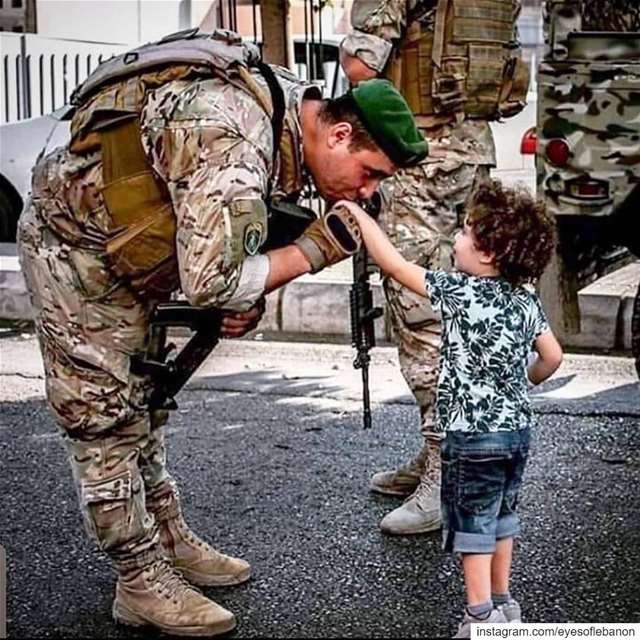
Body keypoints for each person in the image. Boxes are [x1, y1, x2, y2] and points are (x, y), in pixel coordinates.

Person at [17, 29, 427, 638]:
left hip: (138, 251)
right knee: (103, 415)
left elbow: (231, 247)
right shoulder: (234, 132)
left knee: (147, 401)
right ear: (339, 134)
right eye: (369, 174)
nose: (366, 192)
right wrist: (314, 251)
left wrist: (247, 291)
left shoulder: (290, 107)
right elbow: (214, 280)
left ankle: (166, 534)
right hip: (77, 251)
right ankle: (139, 577)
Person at [339, 180, 563, 637]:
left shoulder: (460, 291)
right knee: (502, 518)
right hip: (516, 433)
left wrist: (362, 219)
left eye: (464, 232)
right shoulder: (524, 299)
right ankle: (504, 604)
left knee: (472, 528)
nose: (455, 240)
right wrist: (524, 380)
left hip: (471, 435)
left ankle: (479, 617)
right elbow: (553, 356)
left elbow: (396, 265)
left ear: (487, 254)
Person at [340, 0, 528, 535]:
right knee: (463, 309)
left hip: (419, 156)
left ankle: (448, 468)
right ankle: (439, 453)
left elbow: (361, 67)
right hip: (472, 155)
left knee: (422, 312)